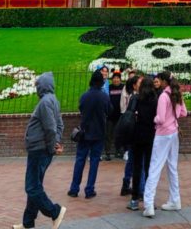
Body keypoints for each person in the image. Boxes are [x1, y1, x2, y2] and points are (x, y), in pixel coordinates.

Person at [14, 72, 65, 229]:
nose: (36, 89)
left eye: (38, 86)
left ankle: (54, 211)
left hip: (39, 150)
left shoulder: (45, 102)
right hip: (43, 149)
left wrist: (51, 147)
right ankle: (28, 223)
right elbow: (59, 125)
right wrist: (55, 143)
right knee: (35, 186)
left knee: (32, 187)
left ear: (43, 86)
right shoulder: (53, 100)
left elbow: (51, 128)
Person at [142, 71, 187, 218]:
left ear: (163, 81)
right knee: (172, 167)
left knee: (154, 167)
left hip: (162, 134)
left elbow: (160, 119)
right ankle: (175, 199)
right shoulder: (177, 94)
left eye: (159, 79)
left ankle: (148, 204)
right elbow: (184, 113)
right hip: (174, 132)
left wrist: (154, 119)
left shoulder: (163, 96)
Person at [67, 70, 110, 200]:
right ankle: (89, 189)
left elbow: (81, 109)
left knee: (80, 160)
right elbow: (109, 110)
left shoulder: (85, 96)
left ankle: (74, 189)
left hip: (85, 132)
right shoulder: (104, 97)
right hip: (99, 133)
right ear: (101, 82)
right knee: (95, 161)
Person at [128, 75, 157, 211]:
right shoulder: (155, 101)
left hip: (137, 135)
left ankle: (134, 199)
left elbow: (129, 114)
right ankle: (148, 199)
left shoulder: (136, 98)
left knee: (137, 167)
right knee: (149, 168)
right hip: (151, 135)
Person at [105, 71, 123, 160]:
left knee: (118, 135)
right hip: (110, 115)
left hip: (119, 115)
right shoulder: (109, 88)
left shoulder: (123, 87)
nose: (116, 80)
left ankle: (118, 151)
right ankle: (107, 152)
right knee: (108, 134)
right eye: (114, 78)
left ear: (120, 79)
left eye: (117, 78)